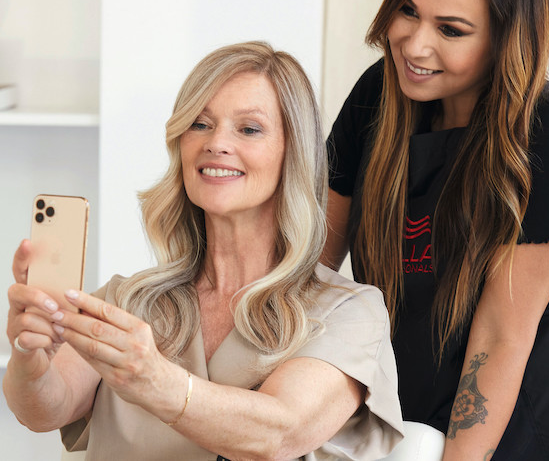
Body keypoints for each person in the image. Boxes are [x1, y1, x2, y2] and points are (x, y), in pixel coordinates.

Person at [4, 41, 404, 460]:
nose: (216, 143)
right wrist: (30, 358)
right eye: (199, 124)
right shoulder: (128, 301)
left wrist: (156, 380)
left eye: (248, 129)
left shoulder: (349, 312)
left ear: (294, 154)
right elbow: (43, 410)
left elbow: (278, 435)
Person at [323, 0, 549, 461]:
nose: (414, 46)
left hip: (514, 419)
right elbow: (310, 266)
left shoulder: (548, 133)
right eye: (407, 11)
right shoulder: (377, 96)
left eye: (451, 30)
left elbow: (501, 338)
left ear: (507, 39)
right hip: (404, 407)